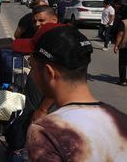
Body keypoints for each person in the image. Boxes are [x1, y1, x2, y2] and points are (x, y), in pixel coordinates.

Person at [26, 26, 127, 161]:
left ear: (48, 72)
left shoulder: (46, 131)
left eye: (32, 67)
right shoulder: (120, 120)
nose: (31, 74)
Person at [113, 6, 127, 86]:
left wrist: (116, 45)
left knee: (123, 63)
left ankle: (123, 81)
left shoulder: (124, 22)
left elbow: (120, 34)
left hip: (125, 46)